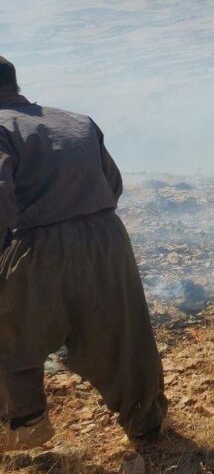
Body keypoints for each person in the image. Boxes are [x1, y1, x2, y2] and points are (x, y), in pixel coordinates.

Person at [0, 56, 167, 452]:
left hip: (36, 245)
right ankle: (145, 422)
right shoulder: (78, 121)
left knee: (9, 332)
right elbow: (113, 183)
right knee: (122, 334)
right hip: (106, 237)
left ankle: (25, 422)